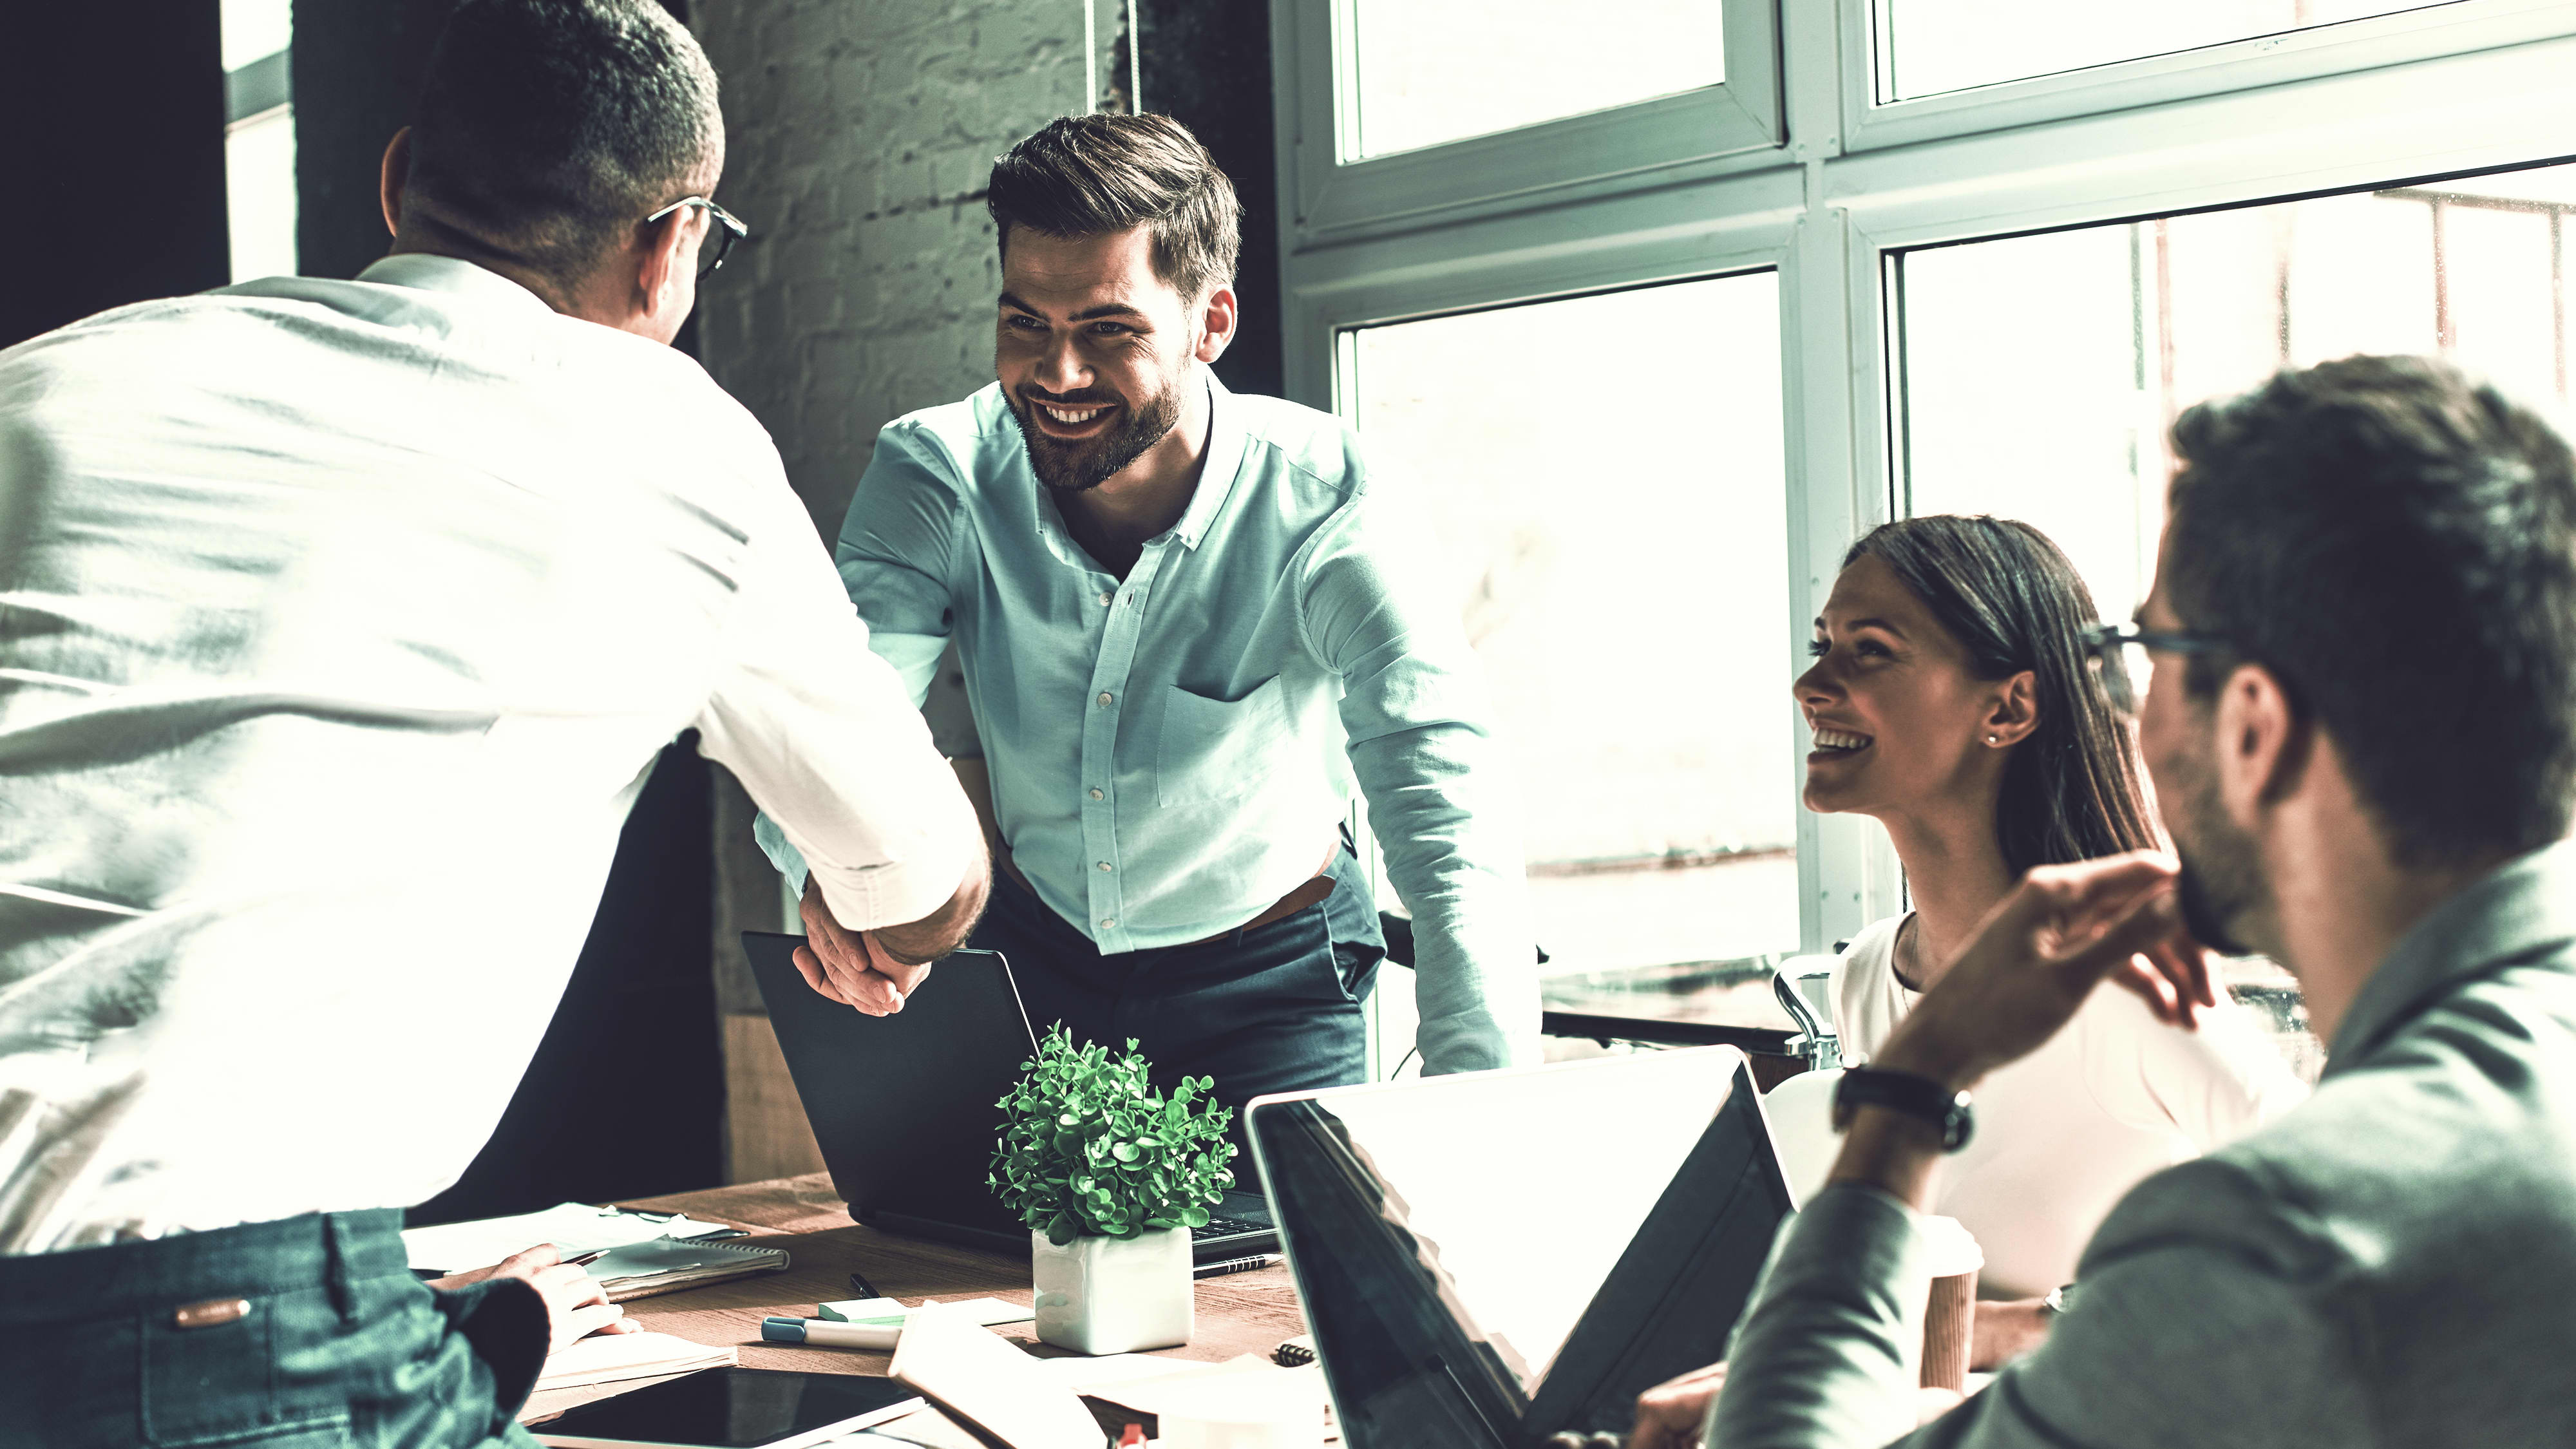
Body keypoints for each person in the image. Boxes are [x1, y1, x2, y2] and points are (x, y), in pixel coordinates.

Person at [0, 3, 985, 1443]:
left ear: (397, 184)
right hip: (213, 1336)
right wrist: (883, 915)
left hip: (265, 1305)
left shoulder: (50, 387)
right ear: (674, 247)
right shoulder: (668, 439)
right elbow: (920, 887)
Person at [1703, 354, 2576, 1448]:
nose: (2121, 709)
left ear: (2252, 724)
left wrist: (1909, 1091)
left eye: (2142, 655)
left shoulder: (2283, 1236)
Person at [757, 114, 1536, 1114]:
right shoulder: (937, 472)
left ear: (1210, 325)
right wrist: (841, 882)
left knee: (1282, 1268)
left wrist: (1487, 1109)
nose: (1057, 374)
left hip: (1271, 984)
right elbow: (830, 721)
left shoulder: (1331, 502)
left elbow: (1444, 796)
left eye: (1108, 330)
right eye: (1025, 323)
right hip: (1032, 954)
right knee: (982, 1263)